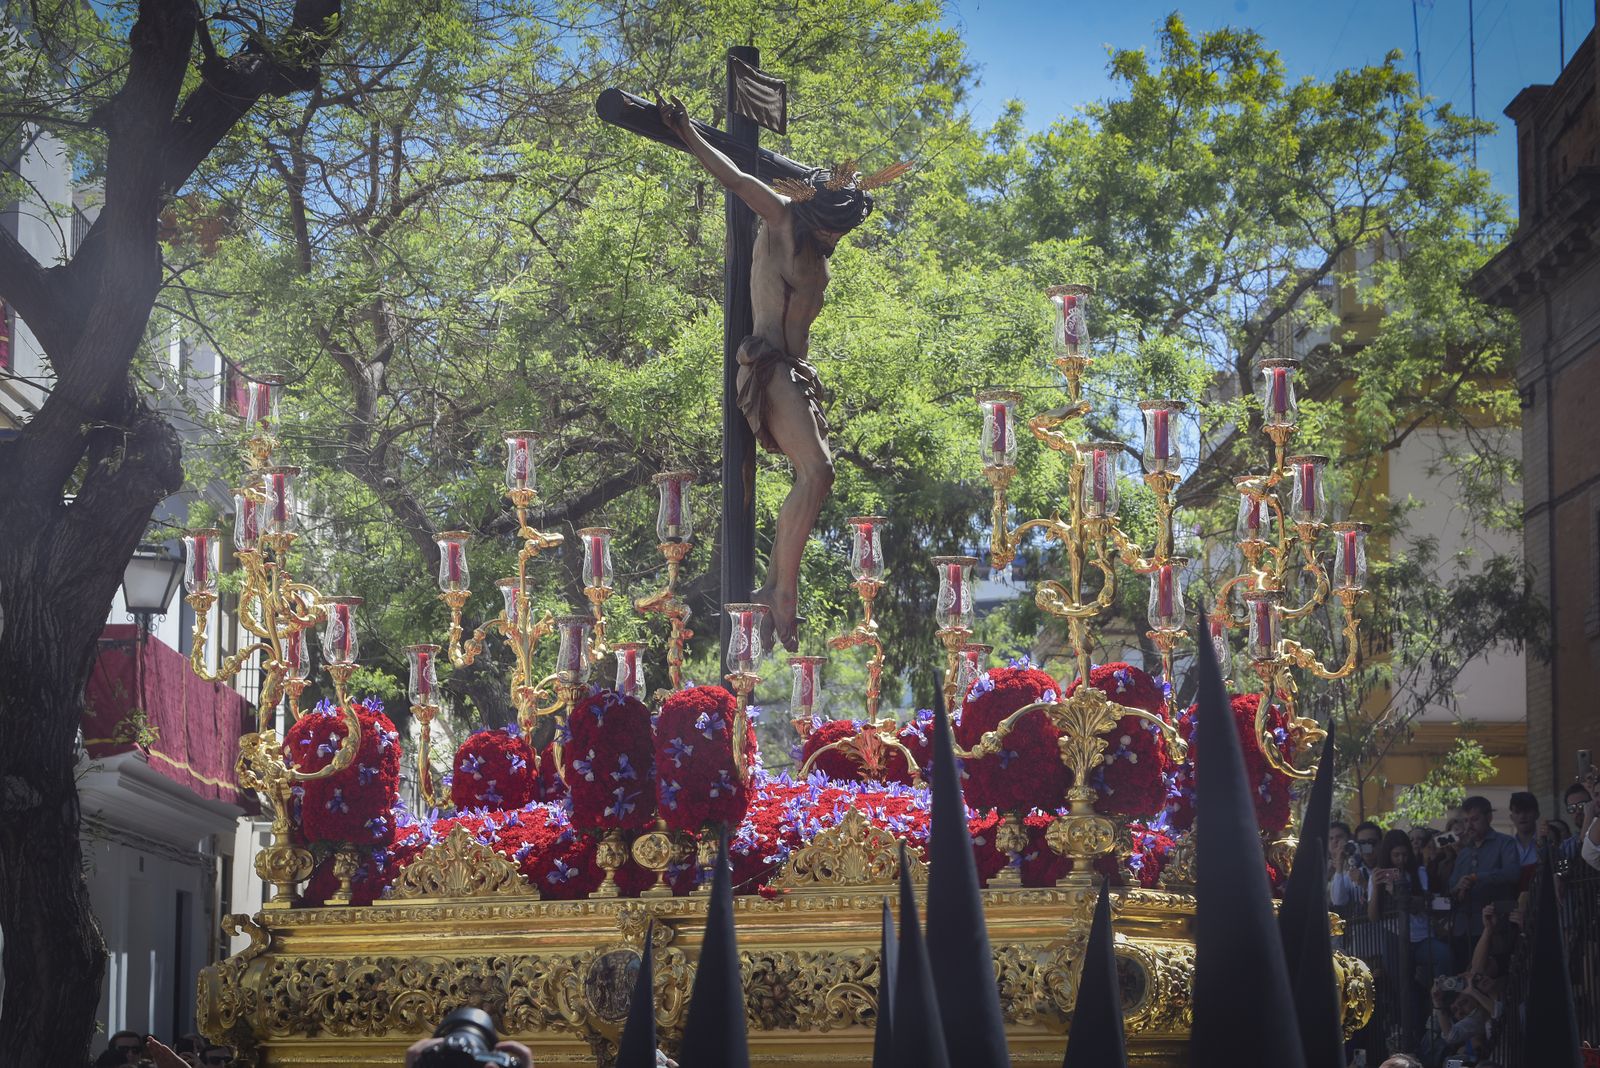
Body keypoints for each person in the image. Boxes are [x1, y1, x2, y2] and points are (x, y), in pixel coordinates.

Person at [653, 93, 909, 651]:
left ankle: (776, 583)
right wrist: (690, 133)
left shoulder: (817, 251)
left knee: (823, 474)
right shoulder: (784, 220)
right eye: (835, 228)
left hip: (795, 371)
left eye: (844, 231)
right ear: (818, 214)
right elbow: (739, 178)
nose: (837, 239)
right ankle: (781, 590)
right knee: (816, 471)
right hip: (767, 365)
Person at [1447, 796, 1521, 949]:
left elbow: (1513, 873)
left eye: (1474, 819)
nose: (1469, 825)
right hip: (1463, 929)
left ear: (1489, 817)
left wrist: (1477, 877)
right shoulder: (1464, 852)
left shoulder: (1505, 843)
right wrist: (1458, 887)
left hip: (1494, 927)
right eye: (1466, 821)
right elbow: (1451, 887)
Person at [1508, 791, 1541, 887]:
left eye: (1526, 811)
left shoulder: (1546, 843)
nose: (1522, 816)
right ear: (1511, 817)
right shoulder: (1506, 846)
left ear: (1537, 814)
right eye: (1517, 812)